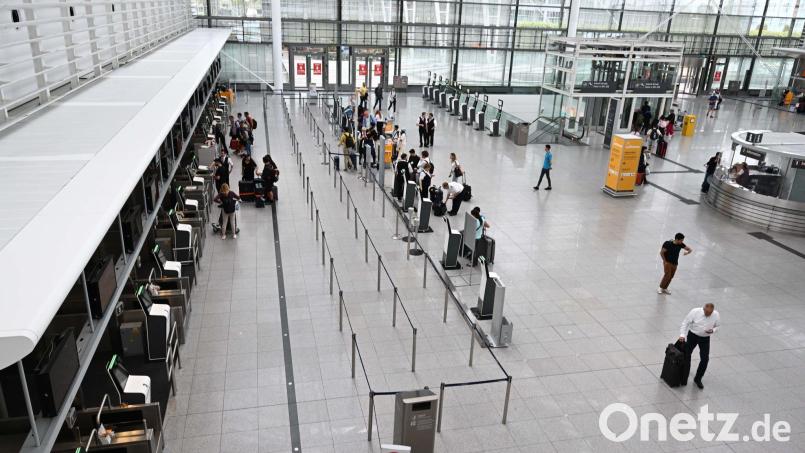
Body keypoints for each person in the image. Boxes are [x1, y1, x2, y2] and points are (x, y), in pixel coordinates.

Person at [679, 303, 720, 389]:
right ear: (703, 309)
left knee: (705, 359)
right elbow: (685, 322)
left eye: (710, 313)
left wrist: (713, 330)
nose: (708, 315)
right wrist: (682, 335)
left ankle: (698, 378)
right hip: (693, 336)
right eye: (707, 313)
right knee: (687, 355)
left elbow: (718, 326)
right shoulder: (695, 312)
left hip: (705, 339)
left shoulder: (716, 314)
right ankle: (684, 375)